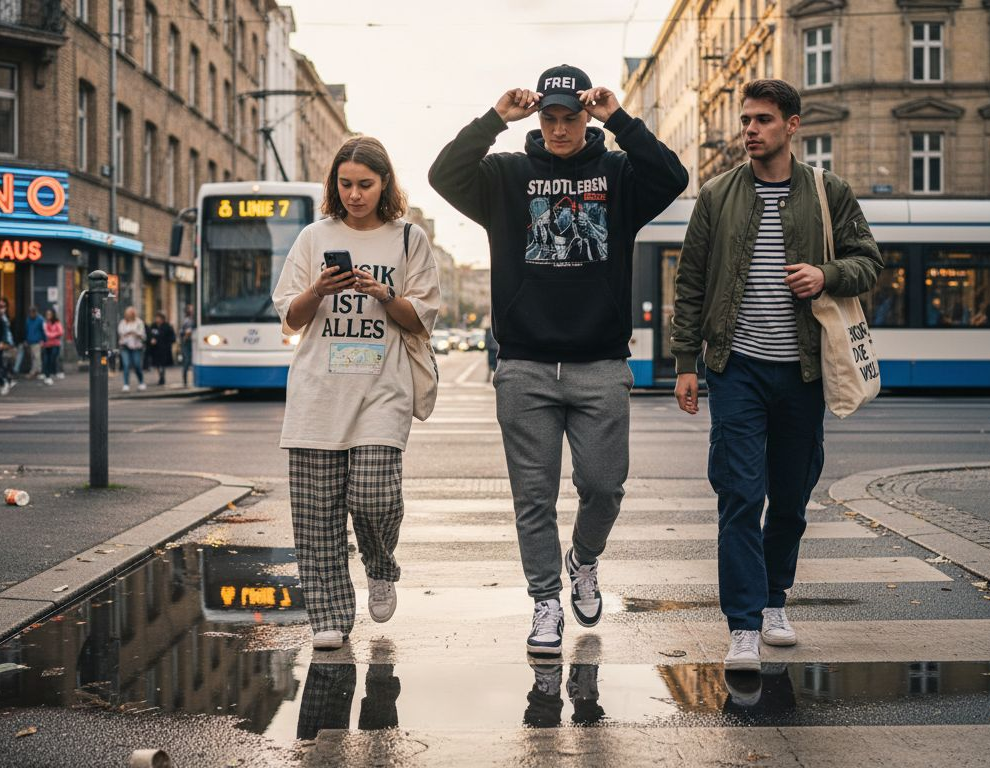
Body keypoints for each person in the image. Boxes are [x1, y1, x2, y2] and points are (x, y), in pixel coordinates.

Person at [429, 64, 688, 656]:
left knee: (605, 486)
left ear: (584, 117)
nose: (560, 128)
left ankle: (584, 560)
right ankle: (546, 601)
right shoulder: (505, 175)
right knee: (534, 497)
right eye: (550, 117)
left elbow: (673, 175)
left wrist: (619, 119)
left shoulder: (619, 174)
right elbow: (443, 174)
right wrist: (495, 119)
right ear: (538, 117)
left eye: (571, 117)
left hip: (599, 363)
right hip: (524, 365)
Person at [670, 79, 883, 671]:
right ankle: (742, 625)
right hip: (735, 369)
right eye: (746, 120)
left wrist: (826, 274)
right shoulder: (716, 195)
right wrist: (686, 363)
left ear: (793, 125)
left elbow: (870, 261)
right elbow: (690, 284)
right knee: (740, 494)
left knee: (790, 497)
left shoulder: (827, 191)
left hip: (803, 373)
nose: (750, 129)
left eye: (763, 119)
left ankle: (772, 601)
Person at [272, 136, 441, 651]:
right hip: (317, 392)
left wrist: (384, 293)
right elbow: (290, 317)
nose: (354, 194)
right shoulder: (312, 237)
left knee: (374, 496)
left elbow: (423, 318)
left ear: (385, 183)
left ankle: (380, 565)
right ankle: (329, 615)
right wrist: (319, 290)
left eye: (365, 184)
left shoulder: (408, 239)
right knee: (317, 513)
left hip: (382, 390)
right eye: (345, 184)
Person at [117, 307, 147, 392]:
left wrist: (133, 333)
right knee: (126, 365)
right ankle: (126, 384)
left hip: (136, 347)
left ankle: (141, 382)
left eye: (130, 314)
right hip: (125, 347)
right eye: (127, 314)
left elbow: (142, 334)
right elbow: (120, 333)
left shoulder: (139, 322)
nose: (128, 315)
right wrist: (129, 333)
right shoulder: (122, 322)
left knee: (137, 365)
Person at [147, 311, 177, 385]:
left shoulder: (167, 326)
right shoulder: (153, 326)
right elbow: (149, 335)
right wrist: (151, 340)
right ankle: (160, 376)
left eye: (158, 318)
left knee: (162, 364)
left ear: (162, 319)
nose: (157, 319)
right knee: (157, 364)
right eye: (156, 318)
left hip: (164, 349)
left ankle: (162, 377)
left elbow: (172, 337)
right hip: (155, 349)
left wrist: (168, 343)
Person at [42, 308, 64, 384]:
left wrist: (51, 335)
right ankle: (47, 375)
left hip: (55, 344)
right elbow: (45, 333)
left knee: (53, 358)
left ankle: (55, 372)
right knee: (46, 360)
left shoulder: (57, 322)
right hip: (47, 345)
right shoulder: (45, 323)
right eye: (47, 314)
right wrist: (54, 334)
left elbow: (60, 332)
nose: (48, 316)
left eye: (50, 314)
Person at [24, 305, 46, 380]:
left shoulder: (40, 319)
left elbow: (43, 330)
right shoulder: (28, 320)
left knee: (37, 357)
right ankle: (34, 371)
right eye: (30, 313)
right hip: (30, 341)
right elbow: (27, 331)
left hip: (37, 341)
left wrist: (44, 340)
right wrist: (26, 340)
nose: (31, 314)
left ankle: (38, 371)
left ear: (35, 312)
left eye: (32, 313)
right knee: (33, 357)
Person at [180, 304, 196, 386]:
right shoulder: (186, 321)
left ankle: (194, 380)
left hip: (194, 342)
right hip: (187, 343)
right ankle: (185, 381)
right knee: (186, 361)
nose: (192, 311)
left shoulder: (197, 319)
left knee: (194, 362)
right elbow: (182, 332)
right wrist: (186, 335)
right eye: (190, 309)